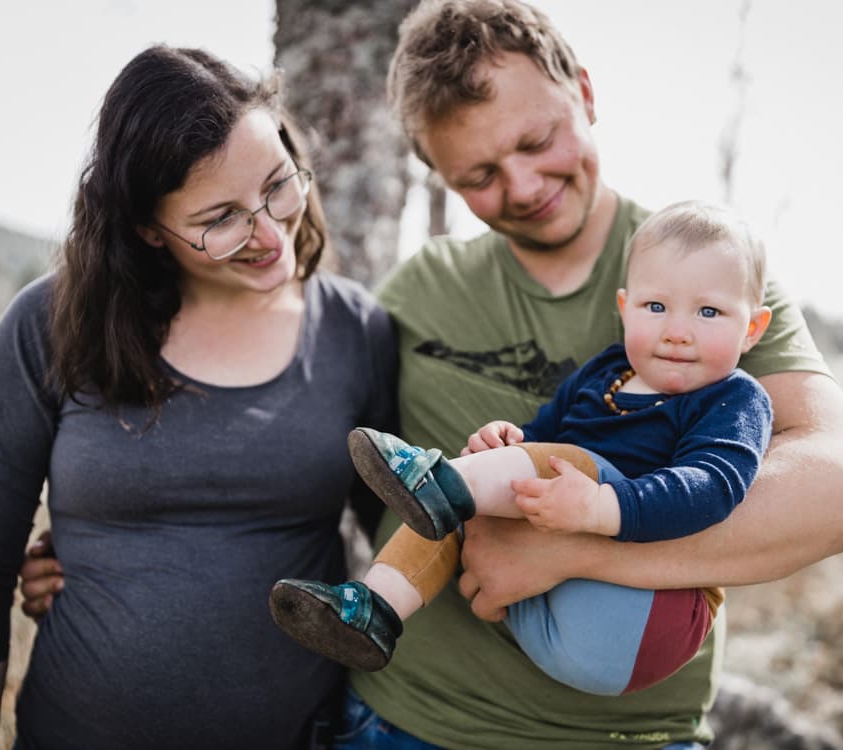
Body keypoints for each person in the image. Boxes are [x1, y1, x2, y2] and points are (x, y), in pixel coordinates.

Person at [20, 1, 843, 747]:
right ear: (435, 176)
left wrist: (565, 548)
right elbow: (281, 437)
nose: (522, 185)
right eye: (476, 174)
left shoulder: (702, 281)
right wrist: (110, 549)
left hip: (627, 731)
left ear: (583, 91)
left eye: (537, 139)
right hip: (404, 722)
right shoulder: (414, 297)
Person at [0, 45, 397, 750]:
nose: (269, 233)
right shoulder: (49, 325)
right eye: (220, 218)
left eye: (278, 185)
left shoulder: (355, 330)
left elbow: (396, 534)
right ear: (148, 228)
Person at [270, 200, 774, 698]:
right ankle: (374, 610)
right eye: (656, 307)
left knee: (564, 468)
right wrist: (503, 443)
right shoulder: (605, 372)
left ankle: (447, 480)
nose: (677, 331)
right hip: (544, 620)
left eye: (708, 312)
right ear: (625, 308)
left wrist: (601, 507)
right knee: (462, 507)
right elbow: (539, 435)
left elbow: (715, 487)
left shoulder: (733, 396)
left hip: (651, 618)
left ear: (751, 328)